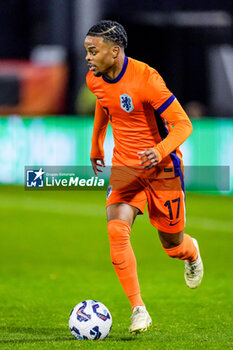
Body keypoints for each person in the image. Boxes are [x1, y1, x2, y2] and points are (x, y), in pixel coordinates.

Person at [84, 20, 203, 334]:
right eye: (87, 51)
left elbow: (183, 124)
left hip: (163, 171)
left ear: (115, 51)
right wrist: (96, 144)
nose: (88, 57)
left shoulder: (146, 79)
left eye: (93, 51)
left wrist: (160, 150)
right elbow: (103, 105)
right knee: (116, 230)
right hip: (125, 168)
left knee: (171, 244)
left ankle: (190, 251)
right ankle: (139, 309)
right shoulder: (94, 79)